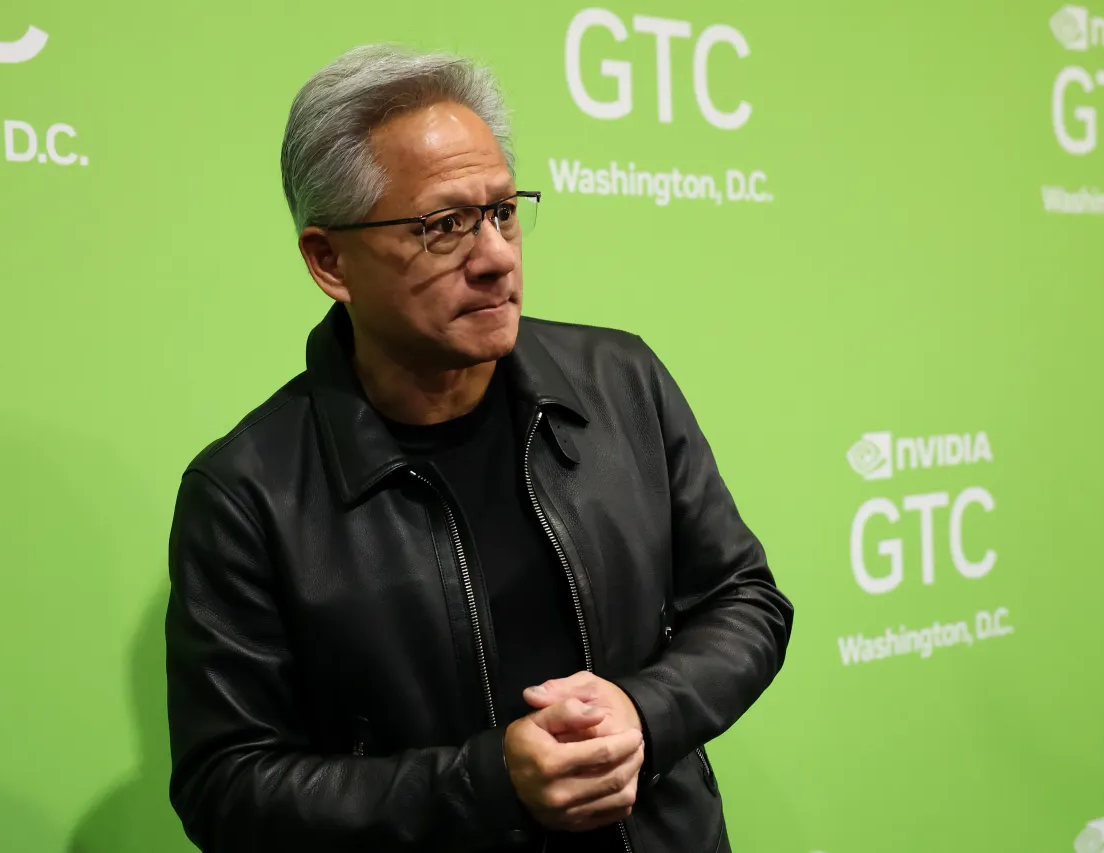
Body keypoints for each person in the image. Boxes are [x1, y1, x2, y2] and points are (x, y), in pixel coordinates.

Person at [165, 43, 793, 853]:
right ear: (330, 261)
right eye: (444, 226)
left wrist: (646, 710)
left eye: (502, 211)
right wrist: (490, 780)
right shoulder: (247, 493)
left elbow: (746, 599)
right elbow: (229, 787)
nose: (496, 256)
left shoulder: (620, 380)